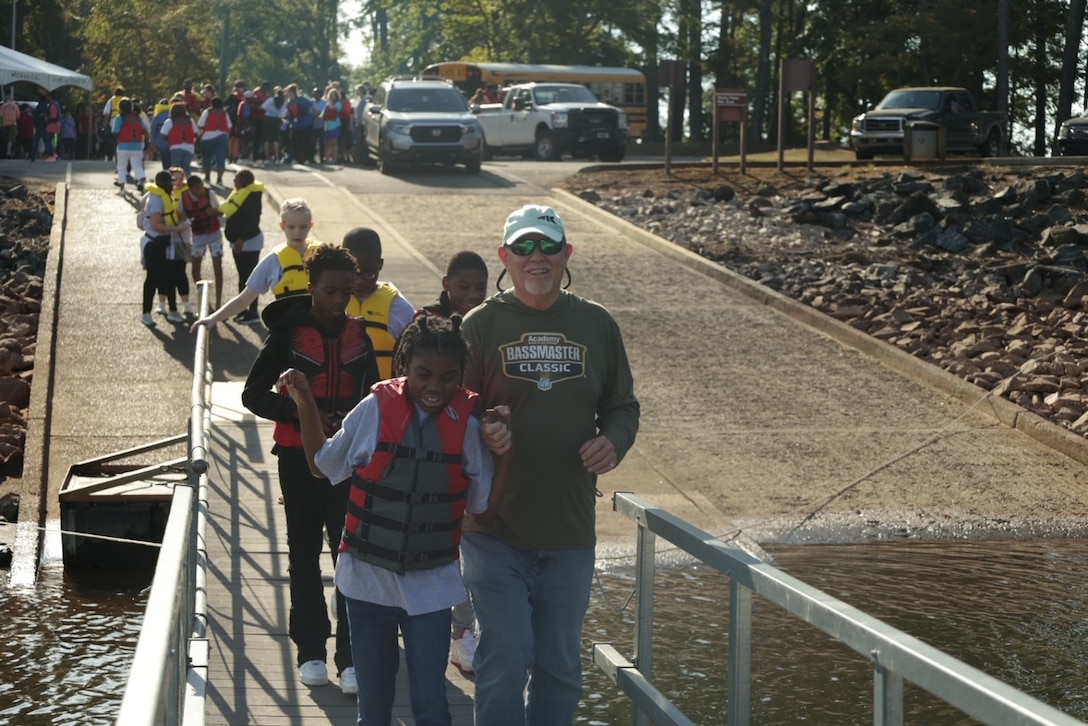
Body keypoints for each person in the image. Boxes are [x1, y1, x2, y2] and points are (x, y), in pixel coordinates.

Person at [459, 204, 640, 725]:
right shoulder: (480, 325)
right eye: (523, 247)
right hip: (494, 527)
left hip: (569, 530)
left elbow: (622, 405)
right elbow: (451, 410)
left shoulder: (596, 323)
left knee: (559, 663)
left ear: (567, 254)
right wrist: (481, 429)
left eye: (547, 247)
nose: (536, 257)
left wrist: (614, 441)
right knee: (507, 652)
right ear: (505, 257)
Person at [280, 313, 494, 725]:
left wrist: (508, 446)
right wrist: (305, 400)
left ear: (461, 376)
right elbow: (322, 466)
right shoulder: (375, 409)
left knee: (432, 703)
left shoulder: (469, 424)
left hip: (431, 585)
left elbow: (483, 506)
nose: (435, 387)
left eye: (448, 377)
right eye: (423, 374)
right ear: (404, 368)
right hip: (366, 580)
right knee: (373, 707)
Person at [242, 243, 378, 695]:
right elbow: (253, 395)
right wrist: (303, 410)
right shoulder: (285, 336)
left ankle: (352, 658)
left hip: (351, 461)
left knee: (350, 558)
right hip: (298, 459)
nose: (338, 300)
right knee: (303, 553)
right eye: (330, 291)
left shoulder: (361, 334)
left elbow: (377, 396)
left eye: (346, 291)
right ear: (311, 288)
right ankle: (311, 652)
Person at [411, 249, 490, 675]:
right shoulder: (428, 327)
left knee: (468, 542)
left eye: (480, 287)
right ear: (446, 284)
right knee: (436, 542)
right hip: (429, 446)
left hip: (473, 443)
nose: (472, 294)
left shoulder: (488, 324)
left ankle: (463, 633)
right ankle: (426, 623)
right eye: (463, 286)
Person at [189, 192, 320, 332]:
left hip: (322, 331)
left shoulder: (323, 254)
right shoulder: (273, 260)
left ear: (310, 226)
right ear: (282, 226)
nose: (297, 233)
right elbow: (242, 300)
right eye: (291, 227)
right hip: (289, 333)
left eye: (303, 227)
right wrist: (212, 318)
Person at [341, 227, 415, 379]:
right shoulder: (330, 302)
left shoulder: (401, 309)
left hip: (384, 397)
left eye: (369, 273)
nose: (360, 281)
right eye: (354, 273)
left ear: (380, 265)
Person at [138, 170, 190, 326]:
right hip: (154, 244)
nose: (172, 184)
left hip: (164, 243)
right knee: (152, 279)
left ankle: (173, 310)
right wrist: (177, 229)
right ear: (161, 183)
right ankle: (146, 313)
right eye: (169, 182)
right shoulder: (155, 199)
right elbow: (155, 224)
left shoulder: (162, 196)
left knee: (170, 276)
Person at [179, 175, 225, 309]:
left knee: (218, 269)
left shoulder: (209, 193)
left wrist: (215, 212)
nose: (201, 190)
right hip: (198, 236)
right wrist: (185, 218)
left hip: (214, 234)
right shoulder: (184, 197)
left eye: (202, 187)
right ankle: (207, 305)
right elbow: (181, 214)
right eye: (198, 188)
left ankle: (218, 305)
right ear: (191, 188)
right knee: (195, 271)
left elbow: (221, 212)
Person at [112, 98, 148, 193]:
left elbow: (115, 131)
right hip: (137, 145)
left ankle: (122, 187)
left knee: (121, 166)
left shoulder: (120, 118)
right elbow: (144, 129)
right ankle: (141, 178)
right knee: (137, 165)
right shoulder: (137, 117)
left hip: (123, 145)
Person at [197, 96, 231, 184]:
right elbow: (230, 126)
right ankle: (219, 179)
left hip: (208, 136)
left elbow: (200, 124)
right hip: (222, 136)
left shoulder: (207, 112)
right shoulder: (224, 113)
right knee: (221, 158)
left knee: (207, 157)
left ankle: (207, 177)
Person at [160, 102, 197, 174]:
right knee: (187, 168)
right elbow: (196, 133)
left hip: (175, 146)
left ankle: (177, 183)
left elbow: (163, 134)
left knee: (176, 169)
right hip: (189, 147)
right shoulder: (190, 120)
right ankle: (188, 182)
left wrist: (170, 138)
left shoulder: (170, 121)